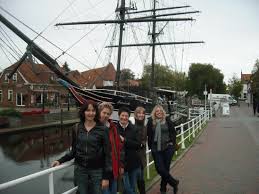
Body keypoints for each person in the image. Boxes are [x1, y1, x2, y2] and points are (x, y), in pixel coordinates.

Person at [51, 100, 112, 194]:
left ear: (96, 112)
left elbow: (108, 155)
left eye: (93, 110)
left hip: (96, 171)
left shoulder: (103, 130)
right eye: (88, 110)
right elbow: (74, 151)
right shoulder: (77, 128)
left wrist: (106, 177)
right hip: (80, 171)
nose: (90, 113)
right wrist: (60, 160)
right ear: (83, 112)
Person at [147, 105, 179, 194]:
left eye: (160, 111)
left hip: (168, 147)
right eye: (157, 111)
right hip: (156, 148)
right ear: (154, 112)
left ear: (163, 112)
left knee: (166, 168)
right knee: (159, 168)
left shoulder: (167, 119)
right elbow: (148, 134)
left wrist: (172, 143)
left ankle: (163, 189)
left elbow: (173, 132)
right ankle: (174, 182)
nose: (159, 112)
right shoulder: (150, 121)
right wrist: (150, 146)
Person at [98, 102, 124, 194]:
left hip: (114, 168)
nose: (106, 115)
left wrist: (120, 165)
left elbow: (118, 148)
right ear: (99, 112)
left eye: (108, 114)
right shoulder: (95, 128)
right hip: (101, 171)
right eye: (104, 113)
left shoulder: (113, 128)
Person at [116, 106, 142, 194]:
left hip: (133, 162)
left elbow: (138, 145)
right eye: (122, 115)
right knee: (126, 188)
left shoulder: (135, 128)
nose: (124, 117)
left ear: (128, 117)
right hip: (121, 163)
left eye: (126, 116)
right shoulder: (114, 129)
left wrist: (125, 140)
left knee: (133, 186)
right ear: (119, 116)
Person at [134, 106, 147, 194]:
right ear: (135, 114)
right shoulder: (132, 126)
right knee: (134, 178)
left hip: (141, 155)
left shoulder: (145, 127)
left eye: (143, 113)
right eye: (139, 113)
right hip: (134, 156)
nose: (141, 115)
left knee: (141, 178)